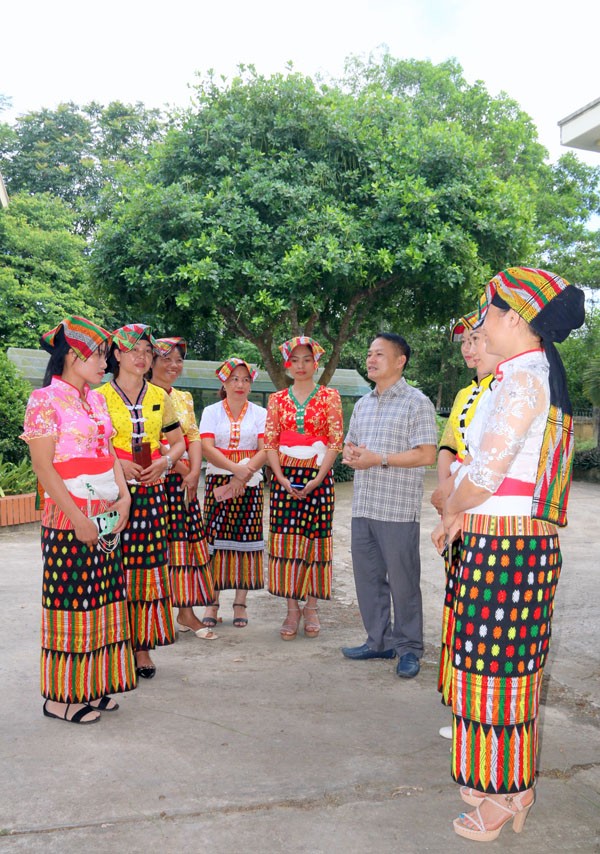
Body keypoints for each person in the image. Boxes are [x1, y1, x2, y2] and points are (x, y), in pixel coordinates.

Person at [432, 267, 584, 842]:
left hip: (507, 549)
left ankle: (505, 795)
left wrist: (451, 501)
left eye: (488, 313)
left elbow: (487, 475)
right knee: (488, 668)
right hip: (498, 543)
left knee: (499, 674)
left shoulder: (522, 381)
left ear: (514, 317)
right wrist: (458, 509)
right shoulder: (517, 377)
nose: (482, 324)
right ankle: (501, 782)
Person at [21, 316, 136, 725]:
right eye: (101, 356)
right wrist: (77, 519)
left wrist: (123, 499)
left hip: (105, 510)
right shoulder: (44, 400)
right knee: (71, 602)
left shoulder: (98, 400)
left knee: (103, 598)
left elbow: (110, 454)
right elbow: (44, 468)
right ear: (73, 355)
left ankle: (93, 685)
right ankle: (61, 698)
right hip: (70, 516)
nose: (106, 364)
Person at [342, 332, 437, 678]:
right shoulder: (364, 404)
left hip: (397, 510)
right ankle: (378, 641)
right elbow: (350, 446)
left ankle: (409, 648)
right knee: (368, 579)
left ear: (400, 361)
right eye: (369, 353)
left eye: (379, 354)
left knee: (403, 582)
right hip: (363, 506)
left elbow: (426, 454)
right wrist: (350, 454)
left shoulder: (417, 403)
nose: (371, 359)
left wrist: (378, 459)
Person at [97, 324, 186, 678]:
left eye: (148, 352)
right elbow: (89, 446)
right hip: (110, 492)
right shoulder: (98, 396)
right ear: (116, 354)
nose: (142, 357)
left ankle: (142, 647)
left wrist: (165, 461)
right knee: (110, 566)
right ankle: (113, 646)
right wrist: (117, 463)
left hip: (151, 493)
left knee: (147, 567)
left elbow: (177, 441)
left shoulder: (160, 396)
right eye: (134, 350)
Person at [431, 312, 498, 738]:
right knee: (457, 609)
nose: (468, 348)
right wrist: (445, 498)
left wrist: (456, 499)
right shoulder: (462, 394)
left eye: (476, 338)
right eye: (464, 341)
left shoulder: (506, 389)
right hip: (456, 507)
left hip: (484, 514)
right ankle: (459, 706)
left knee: (481, 616)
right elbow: (447, 447)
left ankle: (477, 712)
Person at [264, 337, 343, 639]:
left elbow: (336, 440)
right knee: (287, 543)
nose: (300, 366)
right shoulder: (277, 400)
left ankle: (311, 606)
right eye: (295, 360)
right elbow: (270, 441)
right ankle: (291, 609)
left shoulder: (329, 396)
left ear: (316, 362)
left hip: (318, 477)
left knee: (314, 541)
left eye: (306, 360)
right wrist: (280, 477)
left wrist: (319, 478)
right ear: (287, 363)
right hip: (284, 478)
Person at [150, 337, 217, 639]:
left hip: (183, 482)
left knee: (185, 548)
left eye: (178, 360)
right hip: (153, 479)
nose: (173, 366)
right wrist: (181, 468)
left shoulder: (184, 397)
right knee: (156, 550)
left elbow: (193, 437)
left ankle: (186, 613)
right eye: (166, 359)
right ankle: (154, 619)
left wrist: (193, 475)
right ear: (151, 361)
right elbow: (153, 443)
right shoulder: (141, 394)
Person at [199, 358, 267, 627]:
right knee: (215, 541)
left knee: (246, 541)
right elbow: (207, 447)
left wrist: (244, 473)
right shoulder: (211, 411)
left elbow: (265, 448)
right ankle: (212, 603)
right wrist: (234, 471)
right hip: (219, 479)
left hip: (251, 481)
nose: (240, 384)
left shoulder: (260, 413)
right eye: (234, 379)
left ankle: (240, 603)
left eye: (245, 379)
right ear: (224, 383)